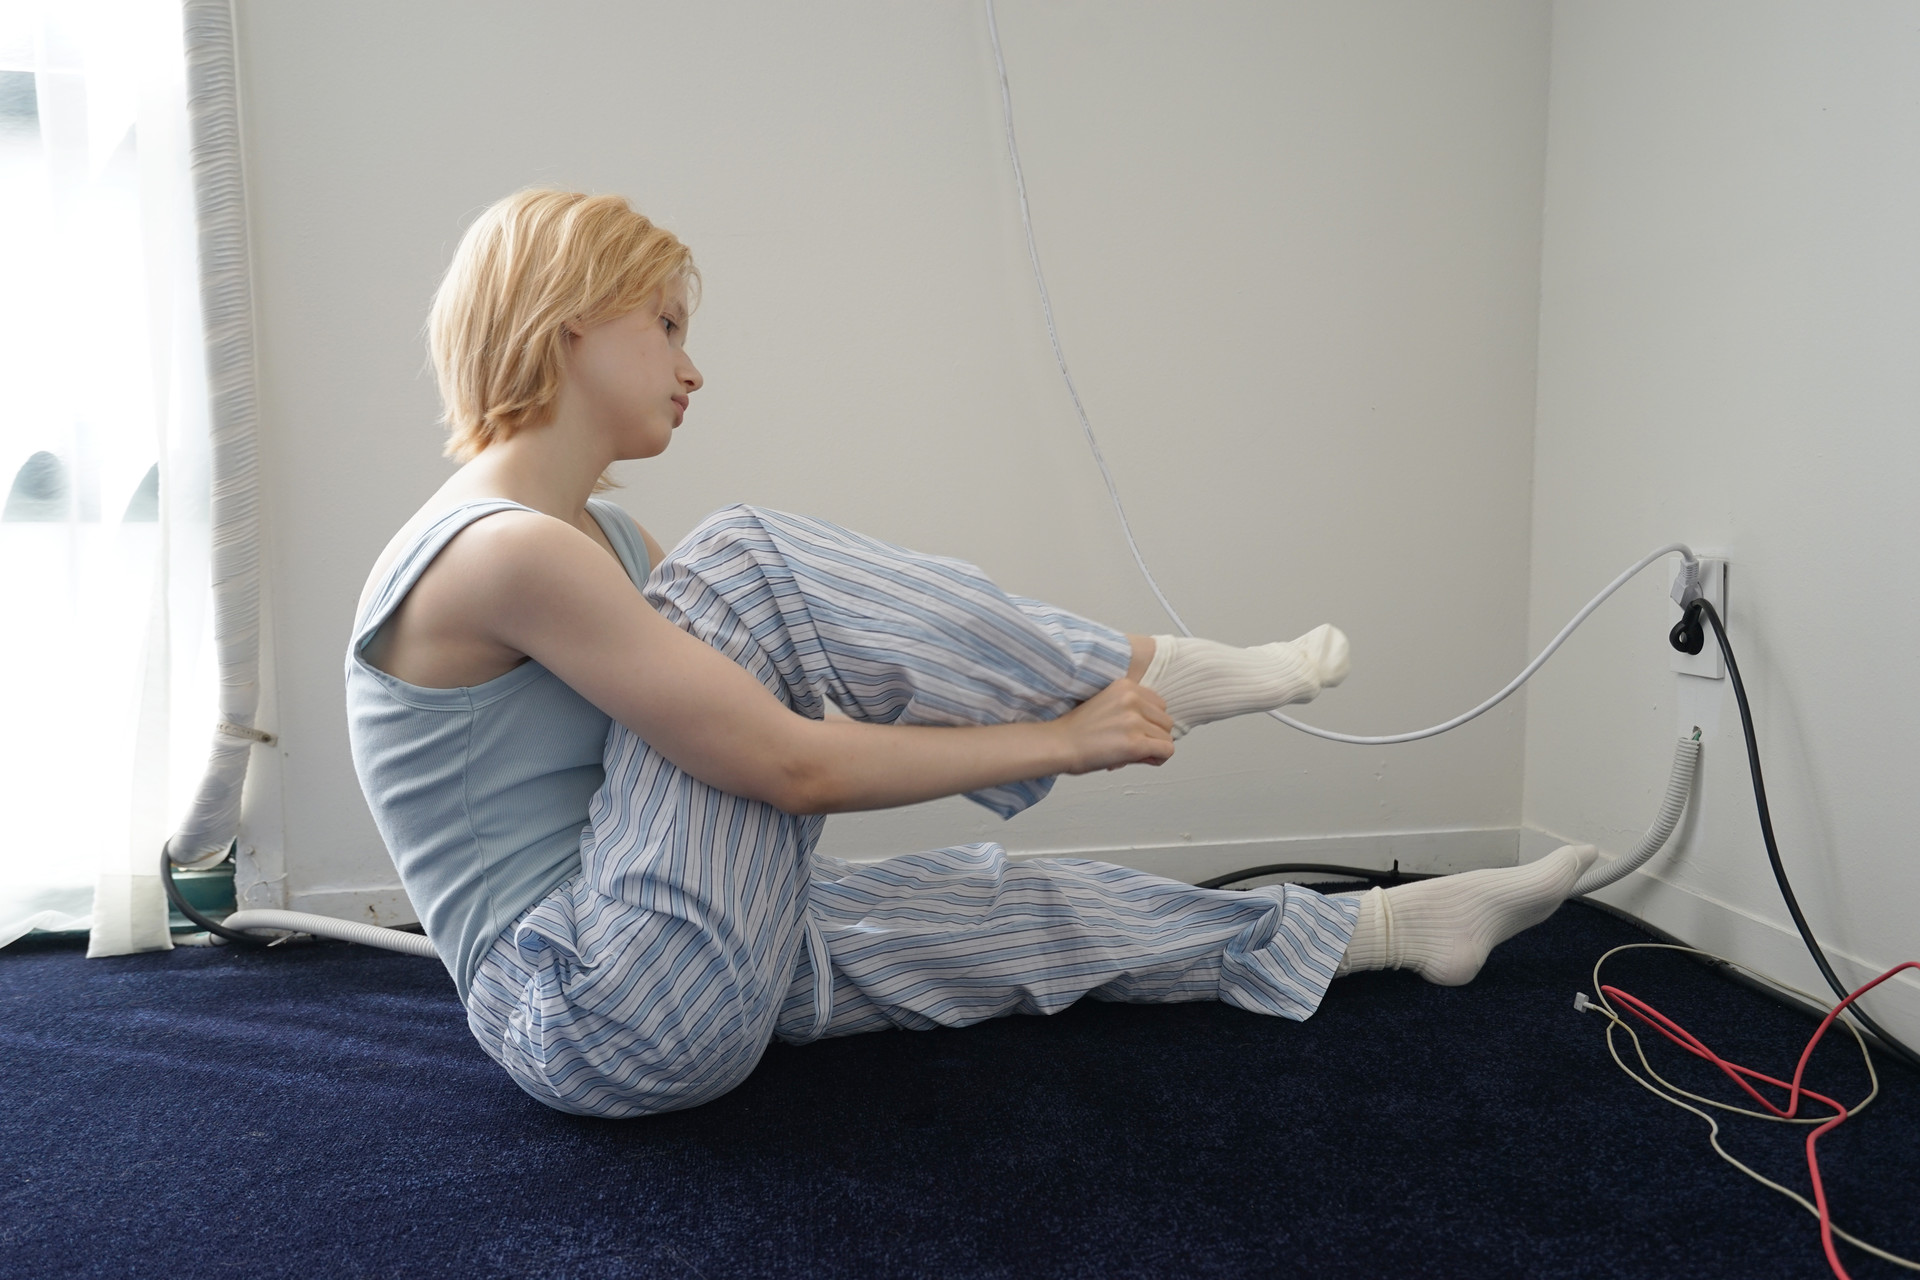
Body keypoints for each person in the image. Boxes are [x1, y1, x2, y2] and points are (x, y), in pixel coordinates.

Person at [346, 189, 1597, 1119]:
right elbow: (788, 767)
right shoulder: (495, 550)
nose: (693, 366)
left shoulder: (606, 543)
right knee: (742, 559)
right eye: (666, 322)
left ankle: (1386, 928)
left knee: (1001, 906)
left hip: (667, 971)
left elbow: (761, 760)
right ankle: (1146, 669)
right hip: (591, 1004)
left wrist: (1051, 737)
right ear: (567, 318)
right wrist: (1063, 738)